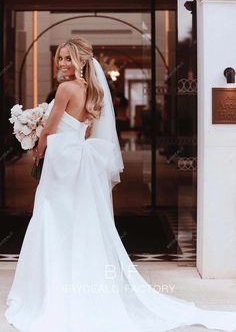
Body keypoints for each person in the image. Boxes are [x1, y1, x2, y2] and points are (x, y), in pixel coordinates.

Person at [4, 37, 236, 332]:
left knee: (53, 219)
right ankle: (76, 284)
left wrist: (37, 148)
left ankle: (53, 291)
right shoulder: (93, 91)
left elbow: (50, 127)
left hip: (61, 160)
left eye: (68, 58)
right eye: (60, 58)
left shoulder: (65, 89)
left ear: (83, 61)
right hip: (78, 160)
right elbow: (85, 130)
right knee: (79, 221)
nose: (62, 63)